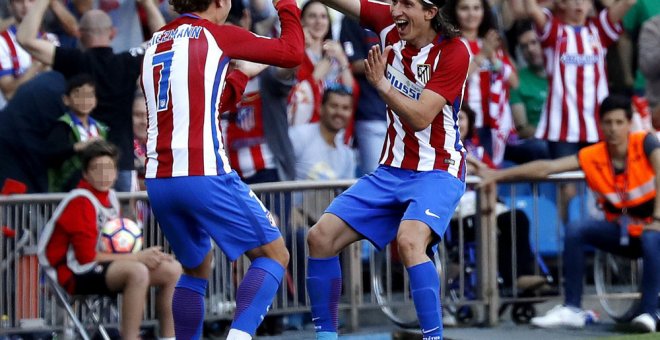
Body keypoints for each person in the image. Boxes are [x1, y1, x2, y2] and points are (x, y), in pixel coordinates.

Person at [139, 0, 304, 337]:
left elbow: (212, 102)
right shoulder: (217, 34)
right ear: (220, 2)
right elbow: (292, 52)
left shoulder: (155, 41)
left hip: (159, 180)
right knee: (275, 255)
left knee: (196, 268)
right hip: (204, 173)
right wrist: (286, 4)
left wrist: (242, 72)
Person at [307, 0, 469, 338]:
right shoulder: (388, 23)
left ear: (430, 11)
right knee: (319, 237)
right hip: (390, 170)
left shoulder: (454, 52)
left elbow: (422, 116)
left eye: (406, 3)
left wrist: (382, 85)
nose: (395, 9)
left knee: (410, 241)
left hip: (438, 169)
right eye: (394, 1)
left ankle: (433, 336)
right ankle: (325, 336)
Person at [478, 95, 660, 333]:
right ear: (601, 125)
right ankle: (572, 308)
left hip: (654, 230)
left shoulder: (645, 142)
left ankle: (650, 312)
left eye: (619, 122)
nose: (613, 129)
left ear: (629, 123)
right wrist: (496, 175)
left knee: (650, 237)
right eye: (608, 123)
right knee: (577, 229)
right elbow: (548, 168)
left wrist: (657, 219)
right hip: (625, 230)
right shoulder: (594, 155)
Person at [16, 0, 165, 193]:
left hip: (84, 167)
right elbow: (165, 39)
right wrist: (146, 3)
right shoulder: (127, 62)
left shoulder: (73, 61)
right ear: (112, 33)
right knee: (123, 222)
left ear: (79, 33)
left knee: (82, 220)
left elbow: (25, 38)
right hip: (122, 161)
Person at [39, 140, 182, 340]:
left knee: (172, 268)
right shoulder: (81, 201)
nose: (104, 175)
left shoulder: (111, 198)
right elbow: (86, 258)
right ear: (86, 174)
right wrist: (138, 257)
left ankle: (170, 337)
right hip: (70, 273)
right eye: (97, 169)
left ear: (116, 173)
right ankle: (131, 337)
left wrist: (141, 256)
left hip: (100, 265)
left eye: (109, 169)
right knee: (137, 271)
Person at [518, 0, 636, 159]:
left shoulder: (599, 29)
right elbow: (531, 8)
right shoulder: (553, 30)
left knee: (598, 181)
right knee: (567, 182)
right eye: (573, 0)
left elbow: (628, 2)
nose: (579, 4)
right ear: (562, 4)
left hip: (598, 125)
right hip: (561, 127)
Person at [339, 13, 387, 175]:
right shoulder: (353, 16)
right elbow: (352, 63)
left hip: (402, 113)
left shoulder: (402, 13)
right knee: (375, 176)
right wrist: (393, 61)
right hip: (370, 113)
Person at [45, 74, 106, 193]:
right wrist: (78, 147)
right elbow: (51, 156)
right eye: (78, 95)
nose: (84, 100)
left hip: (98, 187)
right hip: (68, 189)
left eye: (89, 95)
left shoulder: (101, 128)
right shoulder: (62, 126)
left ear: (95, 100)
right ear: (66, 100)